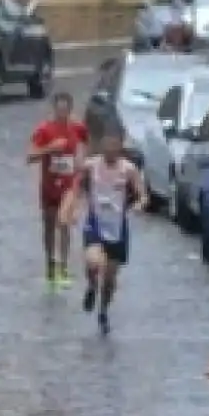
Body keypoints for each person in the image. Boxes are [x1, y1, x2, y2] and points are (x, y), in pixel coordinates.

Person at [66, 127, 146, 334]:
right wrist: (72, 209)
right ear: (101, 145)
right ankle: (92, 285)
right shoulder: (90, 166)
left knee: (110, 279)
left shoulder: (128, 169)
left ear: (120, 146)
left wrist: (139, 204)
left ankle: (103, 311)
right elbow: (76, 187)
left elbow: (142, 194)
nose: (110, 149)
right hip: (96, 224)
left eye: (114, 145)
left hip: (118, 228)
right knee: (93, 261)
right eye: (106, 144)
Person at [26, 93, 89, 290]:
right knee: (49, 225)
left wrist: (82, 162)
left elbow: (87, 142)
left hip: (69, 184)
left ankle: (63, 267)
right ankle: (50, 265)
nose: (63, 114)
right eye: (59, 110)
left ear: (70, 109)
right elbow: (30, 157)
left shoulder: (77, 127)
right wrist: (49, 148)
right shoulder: (44, 130)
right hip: (49, 186)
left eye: (66, 110)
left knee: (64, 224)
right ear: (54, 109)